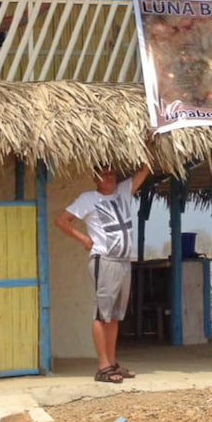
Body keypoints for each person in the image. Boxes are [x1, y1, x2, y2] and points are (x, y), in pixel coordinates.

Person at [55, 161, 152, 383]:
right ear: (95, 178)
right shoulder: (88, 199)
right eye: (104, 174)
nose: (109, 178)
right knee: (102, 313)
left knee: (115, 315)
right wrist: (83, 239)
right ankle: (103, 366)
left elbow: (145, 171)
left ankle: (112, 362)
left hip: (123, 261)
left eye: (111, 174)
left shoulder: (123, 192)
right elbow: (61, 221)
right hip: (105, 260)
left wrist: (148, 145)